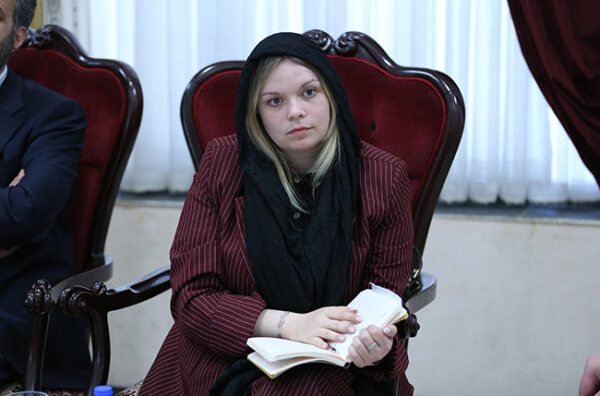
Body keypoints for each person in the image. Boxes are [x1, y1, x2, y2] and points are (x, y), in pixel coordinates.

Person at [140, 32, 414, 396]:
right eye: (274, 101)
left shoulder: (383, 177)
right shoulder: (222, 164)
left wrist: (376, 347)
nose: (295, 111)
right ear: (256, 113)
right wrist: (289, 325)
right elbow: (191, 297)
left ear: (331, 94)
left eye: (309, 92)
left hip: (329, 365)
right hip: (219, 356)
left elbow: (384, 299)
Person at [0, 0, 91, 390]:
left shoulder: (54, 115)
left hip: (15, 313)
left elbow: (22, 215)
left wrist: (12, 209)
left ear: (18, 36)